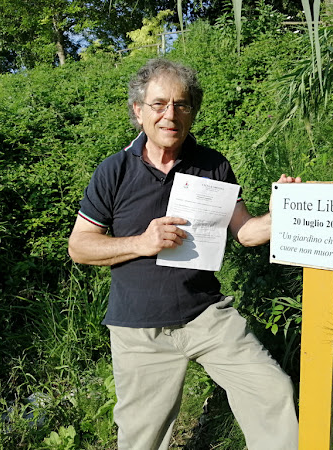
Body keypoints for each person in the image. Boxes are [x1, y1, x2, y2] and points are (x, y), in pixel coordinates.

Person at [68, 58, 300, 450]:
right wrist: (141, 242)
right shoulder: (114, 171)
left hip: (206, 316)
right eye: (159, 104)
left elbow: (245, 232)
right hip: (139, 329)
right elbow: (80, 247)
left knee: (272, 391)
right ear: (138, 111)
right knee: (142, 439)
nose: (170, 115)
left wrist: (280, 215)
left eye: (182, 104)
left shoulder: (212, 164)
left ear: (193, 111)